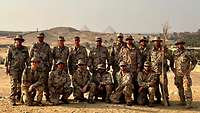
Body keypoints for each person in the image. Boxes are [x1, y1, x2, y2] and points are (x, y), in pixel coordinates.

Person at [5, 35, 29, 106]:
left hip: (22, 69)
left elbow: (27, 59)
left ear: (22, 41)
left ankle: (18, 98)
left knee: (20, 84)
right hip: (13, 69)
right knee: (14, 84)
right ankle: (12, 99)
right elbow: (7, 59)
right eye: (17, 40)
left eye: (20, 40)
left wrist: (28, 68)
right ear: (15, 40)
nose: (19, 41)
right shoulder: (11, 48)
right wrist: (6, 68)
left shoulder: (25, 49)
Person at [172, 40, 197, 109]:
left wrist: (189, 70)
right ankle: (182, 101)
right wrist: (172, 68)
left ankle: (189, 103)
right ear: (176, 45)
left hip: (185, 74)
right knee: (179, 87)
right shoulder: (175, 53)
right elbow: (172, 61)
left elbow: (194, 61)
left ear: (183, 44)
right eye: (178, 44)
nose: (179, 45)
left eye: (181, 44)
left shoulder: (188, 53)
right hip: (177, 74)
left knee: (187, 87)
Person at [149, 36, 174, 105]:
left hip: (162, 72)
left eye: (158, 41)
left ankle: (166, 99)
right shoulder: (151, 51)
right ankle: (158, 99)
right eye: (155, 41)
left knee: (164, 86)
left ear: (160, 42)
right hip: (153, 72)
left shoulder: (165, 49)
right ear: (153, 42)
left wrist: (170, 66)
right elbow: (148, 61)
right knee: (155, 87)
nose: (157, 42)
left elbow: (171, 58)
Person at [29, 32, 52, 102]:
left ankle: (47, 97)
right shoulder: (34, 46)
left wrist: (49, 66)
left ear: (43, 38)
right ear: (37, 38)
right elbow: (30, 56)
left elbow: (50, 57)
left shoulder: (47, 46)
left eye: (42, 37)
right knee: (34, 81)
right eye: (39, 37)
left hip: (44, 68)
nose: (40, 38)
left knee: (45, 82)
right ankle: (32, 97)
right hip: (35, 68)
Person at [119, 35, 141, 104]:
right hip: (125, 71)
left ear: (132, 40)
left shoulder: (136, 49)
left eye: (130, 40)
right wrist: (121, 68)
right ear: (126, 41)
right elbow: (119, 59)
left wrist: (138, 68)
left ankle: (136, 99)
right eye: (128, 40)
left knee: (135, 85)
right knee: (125, 85)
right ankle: (125, 99)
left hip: (134, 71)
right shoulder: (123, 49)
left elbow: (139, 60)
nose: (129, 41)